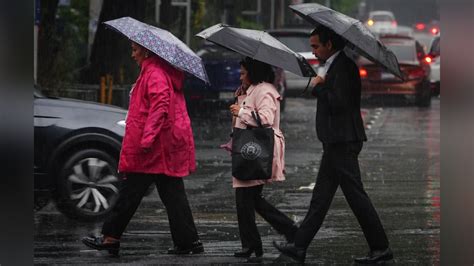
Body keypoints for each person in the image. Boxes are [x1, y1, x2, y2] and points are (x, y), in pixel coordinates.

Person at [273, 26, 393, 264]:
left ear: (330, 44)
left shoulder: (345, 68)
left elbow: (339, 103)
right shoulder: (334, 65)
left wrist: (319, 86)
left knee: (355, 196)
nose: (313, 51)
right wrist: (321, 84)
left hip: (343, 140)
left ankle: (380, 247)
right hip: (335, 140)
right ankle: (299, 246)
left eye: (316, 46)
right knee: (321, 197)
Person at [82, 41, 203, 256]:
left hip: (153, 148)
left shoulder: (154, 72)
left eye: (135, 49)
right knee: (173, 194)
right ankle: (188, 242)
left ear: (146, 51)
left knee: (131, 191)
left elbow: (160, 105)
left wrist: (146, 139)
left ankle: (111, 237)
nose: (132, 54)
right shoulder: (154, 71)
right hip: (162, 147)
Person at [226, 57, 298, 259]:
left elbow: (265, 119)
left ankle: (267, 237)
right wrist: (241, 100)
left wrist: (241, 110)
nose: (240, 76)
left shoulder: (265, 90)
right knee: (249, 199)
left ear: (253, 72)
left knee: (246, 198)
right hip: (249, 150)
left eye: (243, 73)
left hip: (257, 150)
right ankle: (258, 241)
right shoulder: (250, 90)